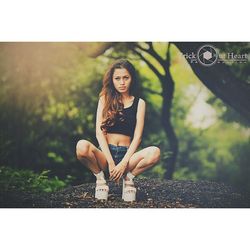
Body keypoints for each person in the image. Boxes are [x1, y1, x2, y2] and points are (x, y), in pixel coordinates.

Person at [76, 59, 161, 202]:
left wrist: (123, 164)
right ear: (112, 80)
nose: (122, 82)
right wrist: (110, 162)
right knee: (81, 146)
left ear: (131, 79)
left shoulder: (140, 103)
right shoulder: (104, 99)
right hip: (105, 154)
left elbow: (137, 137)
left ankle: (128, 179)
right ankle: (100, 179)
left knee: (155, 152)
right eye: (117, 78)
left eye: (126, 78)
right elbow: (99, 133)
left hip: (127, 157)